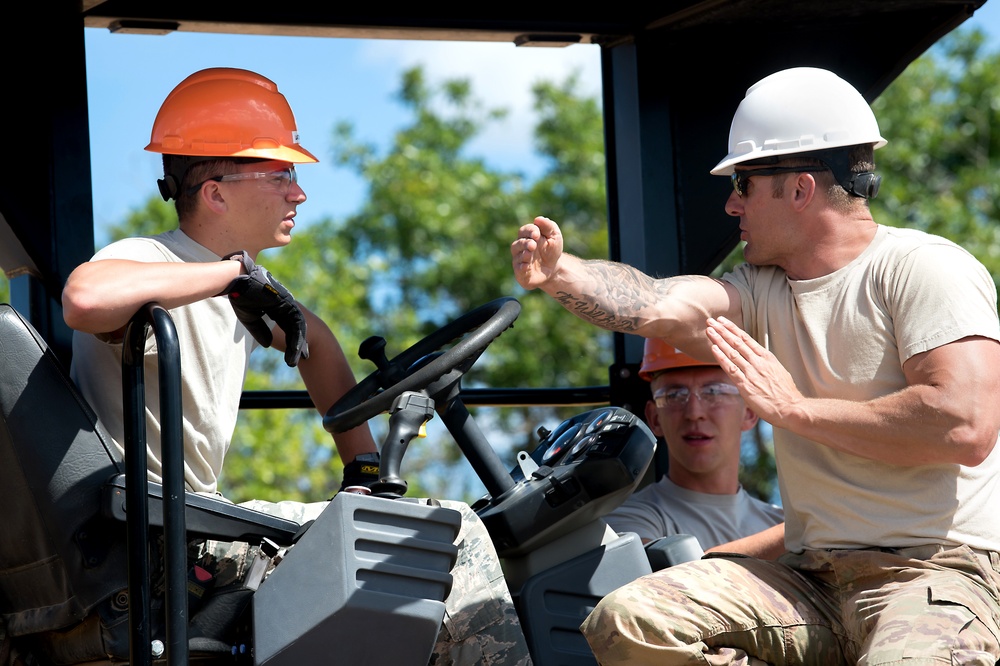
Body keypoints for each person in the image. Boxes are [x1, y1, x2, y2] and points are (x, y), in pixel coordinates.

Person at [511, 66, 1000, 665]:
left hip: (933, 574)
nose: (731, 202)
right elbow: (660, 301)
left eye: (744, 182)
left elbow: (963, 427)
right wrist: (563, 275)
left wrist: (794, 410)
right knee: (627, 620)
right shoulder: (762, 289)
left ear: (799, 189)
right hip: (810, 581)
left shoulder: (925, 269)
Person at [63, 67, 529, 665]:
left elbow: (320, 345)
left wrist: (361, 469)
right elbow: (83, 299)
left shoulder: (226, 278)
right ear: (216, 193)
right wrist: (234, 277)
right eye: (282, 174)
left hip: (184, 530)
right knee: (452, 534)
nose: (298, 193)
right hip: (161, 543)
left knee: (396, 554)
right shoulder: (152, 261)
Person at [605, 338, 784, 558]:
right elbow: (665, 583)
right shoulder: (627, 520)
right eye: (674, 395)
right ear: (655, 418)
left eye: (714, 392)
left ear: (749, 412)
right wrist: (799, 537)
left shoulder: (780, 524)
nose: (693, 412)